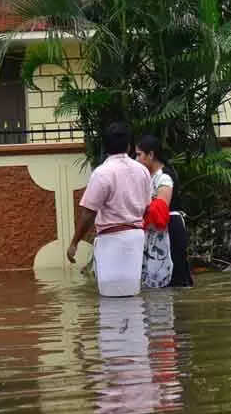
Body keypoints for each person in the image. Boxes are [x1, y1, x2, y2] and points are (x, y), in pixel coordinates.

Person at [67, 122, 151, 297]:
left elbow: (89, 212)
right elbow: (146, 206)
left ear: (104, 146)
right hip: (136, 237)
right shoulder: (142, 171)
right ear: (128, 146)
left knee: (111, 297)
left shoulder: (102, 173)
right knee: (131, 294)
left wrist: (75, 242)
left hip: (111, 239)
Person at [135, 135, 193, 287]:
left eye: (139, 154)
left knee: (175, 271)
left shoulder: (165, 177)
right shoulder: (148, 177)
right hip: (155, 229)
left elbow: (160, 210)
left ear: (151, 155)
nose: (136, 159)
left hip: (170, 227)